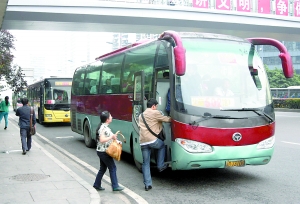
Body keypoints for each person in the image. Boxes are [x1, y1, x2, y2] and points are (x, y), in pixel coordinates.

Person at [139, 98, 171, 191]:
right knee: (161, 146)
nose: (156, 108)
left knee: (146, 163)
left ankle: (147, 185)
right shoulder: (155, 113)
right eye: (156, 106)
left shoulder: (141, 115)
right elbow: (167, 119)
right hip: (153, 141)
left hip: (143, 142)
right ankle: (160, 166)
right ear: (153, 106)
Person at [93, 111, 124, 192]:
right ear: (107, 119)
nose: (112, 117)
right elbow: (102, 140)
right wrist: (111, 137)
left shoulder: (104, 126)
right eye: (111, 116)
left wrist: (114, 138)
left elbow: (107, 138)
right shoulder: (104, 128)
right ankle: (115, 186)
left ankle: (96, 184)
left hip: (101, 151)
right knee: (113, 168)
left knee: (103, 168)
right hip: (104, 152)